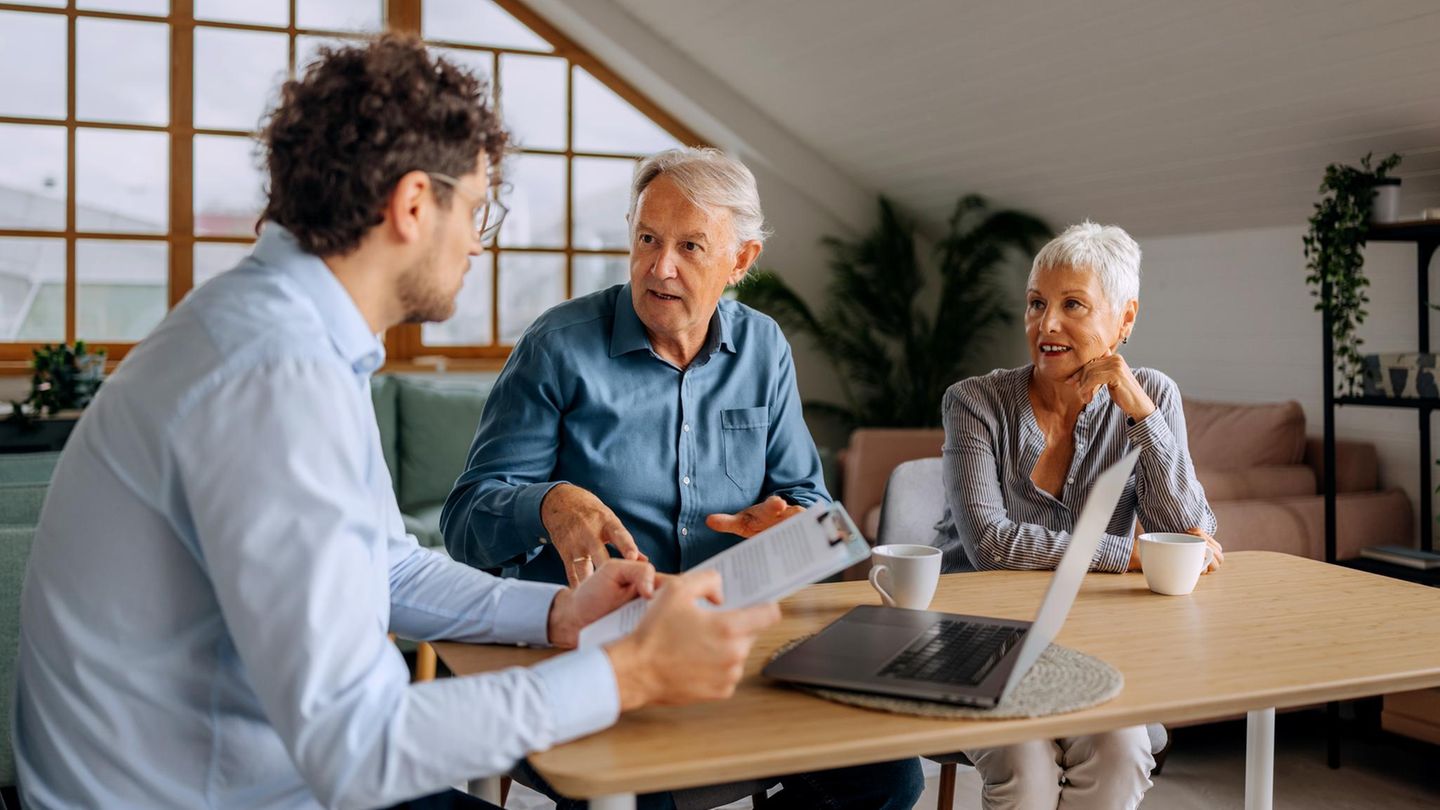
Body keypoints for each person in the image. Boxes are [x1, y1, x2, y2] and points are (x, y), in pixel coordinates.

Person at [12, 36, 783, 810]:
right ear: (415, 204)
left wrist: (558, 612)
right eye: (476, 209)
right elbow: (361, 748)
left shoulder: (287, 335)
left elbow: (387, 567)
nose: (478, 241)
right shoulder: (273, 374)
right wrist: (628, 673)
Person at [442, 147, 922, 809]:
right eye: (647, 239)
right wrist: (547, 503)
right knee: (641, 794)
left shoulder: (764, 348)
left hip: (732, 649)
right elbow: (466, 519)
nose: (659, 266)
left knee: (889, 778)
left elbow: (811, 502)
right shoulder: (557, 346)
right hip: (590, 656)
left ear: (741, 260)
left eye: (690, 246)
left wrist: (791, 525)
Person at [936, 221, 1222, 809]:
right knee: (1026, 766)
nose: (1046, 325)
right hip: (981, 641)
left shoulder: (1154, 395)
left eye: (1073, 305)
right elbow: (991, 545)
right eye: (1036, 304)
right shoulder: (974, 402)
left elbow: (1184, 536)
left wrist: (1141, 413)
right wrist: (1128, 554)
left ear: (1125, 319)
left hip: (1091, 643)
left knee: (1122, 752)